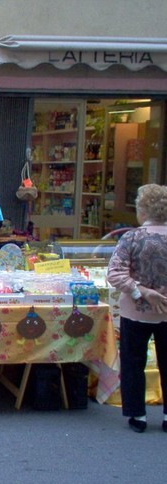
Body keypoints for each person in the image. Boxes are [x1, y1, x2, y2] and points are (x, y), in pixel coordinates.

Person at [107, 183, 167, 433]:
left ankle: (138, 415)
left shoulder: (131, 238)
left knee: (133, 362)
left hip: (135, 312)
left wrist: (140, 291)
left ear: (142, 210)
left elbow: (115, 273)